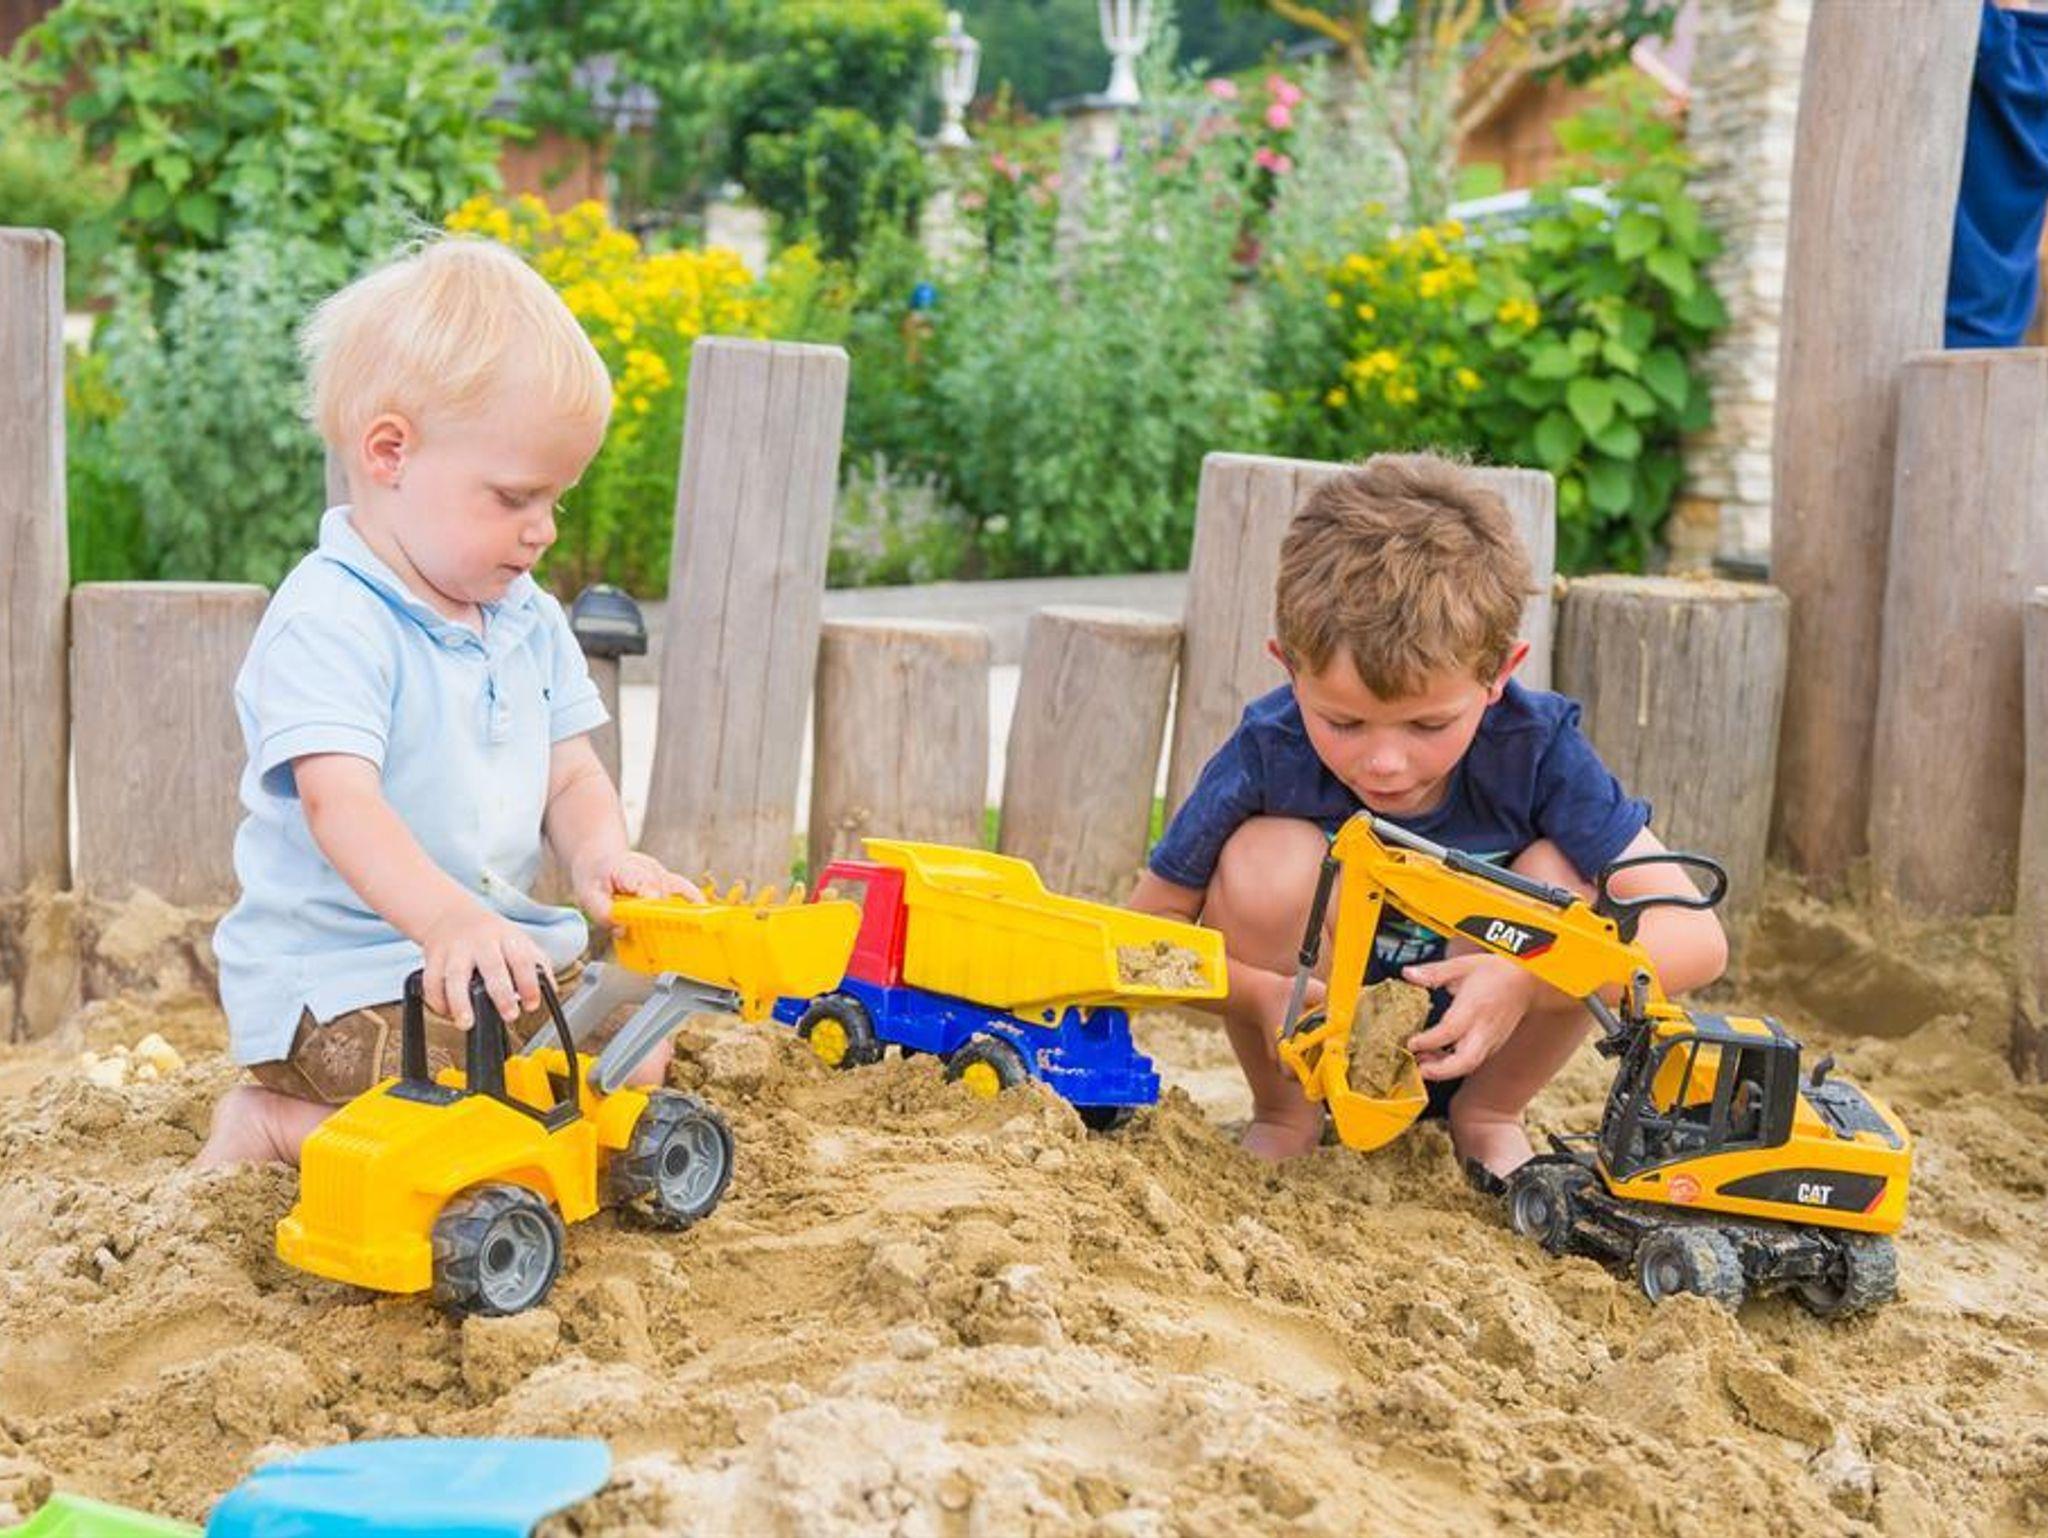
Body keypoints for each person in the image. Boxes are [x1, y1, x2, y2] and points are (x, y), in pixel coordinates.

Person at [196, 237, 694, 1169]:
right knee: (457, 1109)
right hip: (341, 982)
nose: (542, 532)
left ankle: (511, 1139)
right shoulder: (333, 618)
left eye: (556, 501)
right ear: (391, 452)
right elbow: (340, 803)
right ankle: (272, 1124)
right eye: (515, 498)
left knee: (635, 1044)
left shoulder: (526, 617)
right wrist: (445, 920)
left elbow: (571, 774)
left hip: (490, 957)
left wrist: (601, 854)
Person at [1128, 455, 1727, 1174]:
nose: (1385, 762)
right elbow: (1144, 936)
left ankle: (1490, 1115)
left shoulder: (1537, 750)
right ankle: (1286, 1117)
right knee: (1262, 857)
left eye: (1427, 725)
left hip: (1483, 1039)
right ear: (1289, 667)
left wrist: (1532, 975)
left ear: (1499, 674)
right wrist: (1260, 994)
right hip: (1310, 1042)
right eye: (1344, 723)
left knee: (1565, 876)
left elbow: (1697, 938)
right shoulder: (1269, 749)